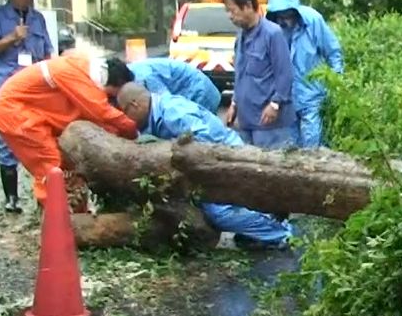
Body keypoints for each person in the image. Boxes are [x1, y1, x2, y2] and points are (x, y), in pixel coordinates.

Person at [114, 82, 294, 249]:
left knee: (220, 213)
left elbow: (204, 145)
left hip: (225, 158)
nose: (126, 118)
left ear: (135, 105)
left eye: (124, 112)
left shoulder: (173, 113)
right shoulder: (155, 113)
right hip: (215, 160)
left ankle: (280, 234)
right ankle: (261, 226)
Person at [0, 52, 137, 209]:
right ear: (116, 84)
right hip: (15, 114)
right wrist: (133, 129)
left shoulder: (82, 68)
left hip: (24, 113)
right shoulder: (81, 80)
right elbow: (101, 113)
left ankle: (71, 212)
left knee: (67, 164)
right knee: (51, 165)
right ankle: (57, 217)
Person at [0, 0, 55, 213]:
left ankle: (43, 193)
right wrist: (12, 37)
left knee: (40, 137)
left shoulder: (38, 19)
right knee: (7, 138)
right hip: (8, 87)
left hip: (34, 85)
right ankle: (11, 197)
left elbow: (46, 52)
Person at [264, 0, 344, 149]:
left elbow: (333, 52)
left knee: (312, 145)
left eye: (287, 14)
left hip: (312, 95)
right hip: (286, 100)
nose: (284, 20)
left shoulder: (313, 21)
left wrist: (336, 84)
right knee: (291, 149)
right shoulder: (273, 30)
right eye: (279, 15)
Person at [221, 0, 297, 149]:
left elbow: (285, 74)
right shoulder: (241, 36)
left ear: (248, 6)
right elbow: (241, 75)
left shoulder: (273, 34)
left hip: (270, 124)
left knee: (272, 169)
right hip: (246, 121)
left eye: (233, 11)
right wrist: (234, 104)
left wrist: (275, 104)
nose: (230, 16)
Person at [103, 57, 223, 115]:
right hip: (187, 91)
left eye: (113, 93)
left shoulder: (146, 79)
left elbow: (166, 106)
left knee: (198, 136)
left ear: (120, 83)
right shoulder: (128, 73)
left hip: (199, 91)